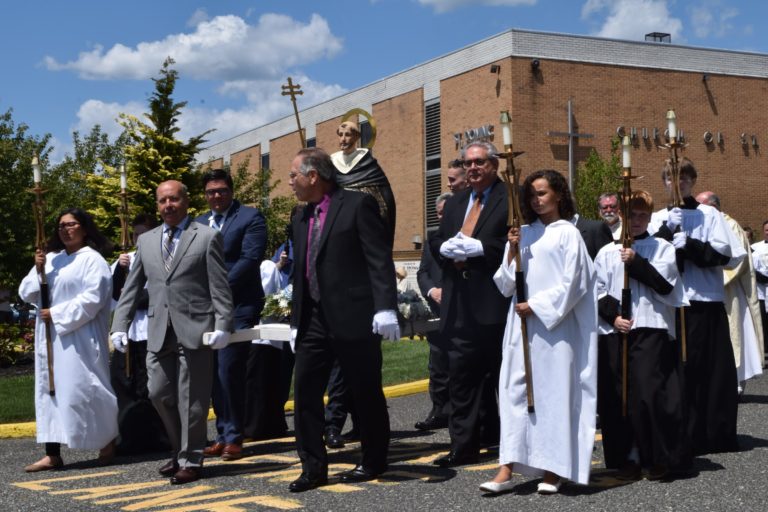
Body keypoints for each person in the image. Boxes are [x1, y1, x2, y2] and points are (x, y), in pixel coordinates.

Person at [287, 147, 399, 492]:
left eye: (294, 175)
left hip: (354, 315)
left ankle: (373, 458)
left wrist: (385, 307)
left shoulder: (356, 204)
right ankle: (313, 466)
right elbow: (301, 271)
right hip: (313, 320)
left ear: (313, 176)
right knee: (305, 393)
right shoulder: (299, 216)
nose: (290, 181)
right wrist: (296, 320)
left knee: (364, 390)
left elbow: (377, 258)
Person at [479, 169, 597, 495]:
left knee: (552, 396)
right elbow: (504, 284)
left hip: (554, 331)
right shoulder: (523, 233)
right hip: (520, 328)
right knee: (515, 394)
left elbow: (575, 283)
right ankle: (507, 467)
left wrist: (538, 305)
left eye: (543, 193)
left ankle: (552, 469)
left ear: (559, 194)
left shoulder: (568, 234)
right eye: (532, 195)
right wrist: (512, 250)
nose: (537, 200)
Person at [111, 180, 233, 485]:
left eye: (174, 199)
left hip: (194, 329)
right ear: (158, 205)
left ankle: (191, 459)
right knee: (158, 392)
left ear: (186, 201)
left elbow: (220, 287)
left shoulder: (206, 237)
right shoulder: (148, 241)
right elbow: (132, 287)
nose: (168, 205)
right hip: (158, 331)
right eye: (163, 201)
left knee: (191, 399)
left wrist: (223, 326)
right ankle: (180, 450)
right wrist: (119, 325)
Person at [649, 158, 744, 455]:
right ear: (664, 182)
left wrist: (689, 245)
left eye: (684, 179)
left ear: (692, 181)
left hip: (704, 299)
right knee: (676, 368)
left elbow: (724, 255)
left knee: (709, 368)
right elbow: (648, 257)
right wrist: (666, 233)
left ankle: (711, 433)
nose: (677, 184)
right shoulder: (656, 217)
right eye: (670, 179)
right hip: (671, 301)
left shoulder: (709, 215)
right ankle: (679, 433)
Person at [594, 190, 689, 480]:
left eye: (643, 216)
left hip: (650, 327)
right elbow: (596, 290)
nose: (637, 221)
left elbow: (664, 286)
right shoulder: (606, 251)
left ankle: (658, 455)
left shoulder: (662, 248)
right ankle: (627, 456)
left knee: (648, 394)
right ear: (621, 214)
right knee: (618, 396)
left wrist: (635, 262)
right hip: (617, 330)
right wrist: (614, 316)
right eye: (632, 215)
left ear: (650, 217)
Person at [19, 208, 118, 472]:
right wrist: (39, 270)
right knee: (50, 391)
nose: (65, 229)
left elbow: (94, 298)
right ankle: (52, 453)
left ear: (84, 228)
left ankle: (106, 439)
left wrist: (58, 313)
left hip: (80, 337)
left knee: (84, 390)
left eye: (71, 224)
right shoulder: (50, 259)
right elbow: (26, 292)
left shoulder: (92, 260)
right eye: (61, 226)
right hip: (50, 340)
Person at [430, 141, 509, 468]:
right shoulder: (456, 202)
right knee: (461, 381)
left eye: (479, 162)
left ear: (494, 164)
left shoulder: (511, 199)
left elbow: (515, 243)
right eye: (468, 163)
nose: (473, 168)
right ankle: (462, 448)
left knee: (507, 380)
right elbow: (439, 239)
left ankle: (515, 444)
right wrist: (444, 249)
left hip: (495, 305)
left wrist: (483, 249)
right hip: (459, 305)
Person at [195, 169, 267, 459]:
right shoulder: (198, 223)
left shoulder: (251, 218)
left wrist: (217, 290)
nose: (216, 196)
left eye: (222, 190)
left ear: (231, 191)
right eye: (211, 191)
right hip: (205, 309)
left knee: (229, 371)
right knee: (212, 374)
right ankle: (223, 433)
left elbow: (249, 259)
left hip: (238, 306)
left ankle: (235, 436)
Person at [110, 213, 169, 455]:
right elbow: (115, 295)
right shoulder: (125, 261)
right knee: (125, 384)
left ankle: (160, 436)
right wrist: (119, 273)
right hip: (130, 333)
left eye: (144, 233)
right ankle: (131, 436)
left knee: (151, 386)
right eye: (136, 234)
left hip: (151, 329)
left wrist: (134, 298)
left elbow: (160, 292)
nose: (138, 238)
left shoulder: (162, 256)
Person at [695, 191, 763, 393]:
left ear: (713, 206)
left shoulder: (729, 224)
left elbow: (738, 260)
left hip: (728, 292)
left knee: (733, 336)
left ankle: (734, 382)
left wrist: (710, 276)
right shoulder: (702, 224)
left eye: (701, 205)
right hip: (704, 292)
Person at [414, 192, 452, 431]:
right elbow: (422, 272)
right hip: (437, 311)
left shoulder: (465, 236)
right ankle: (439, 411)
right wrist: (432, 291)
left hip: (461, 311)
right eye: (439, 213)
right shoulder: (431, 240)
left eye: (445, 212)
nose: (442, 217)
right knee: (437, 366)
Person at [330, 120, 396, 243]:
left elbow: (385, 200)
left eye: (347, 135)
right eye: (340, 135)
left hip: (363, 224)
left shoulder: (368, 163)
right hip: (339, 224)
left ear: (356, 137)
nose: (343, 139)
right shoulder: (332, 162)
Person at [751, 220, 768, 363]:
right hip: (761, 292)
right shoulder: (755, 248)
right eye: (767, 230)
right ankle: (763, 352)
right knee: (762, 323)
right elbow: (750, 268)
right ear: (763, 231)